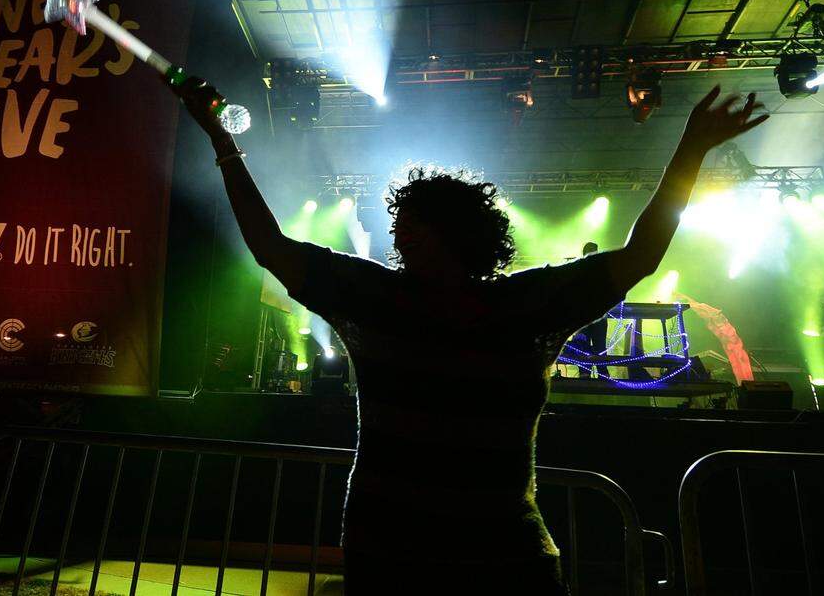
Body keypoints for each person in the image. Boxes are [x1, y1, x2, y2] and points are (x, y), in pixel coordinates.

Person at [175, 78, 766, 594]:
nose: (397, 233)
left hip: (406, 549)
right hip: (488, 552)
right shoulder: (516, 306)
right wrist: (691, 147)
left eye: (408, 223)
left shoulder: (384, 299)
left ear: (436, 233)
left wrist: (221, 141)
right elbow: (640, 255)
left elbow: (270, 247)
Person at [568, 241, 613, 379]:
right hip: (588, 316)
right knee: (589, 346)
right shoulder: (585, 269)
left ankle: (593, 375)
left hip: (591, 316)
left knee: (595, 346)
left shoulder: (589, 269)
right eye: (594, 251)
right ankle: (595, 375)